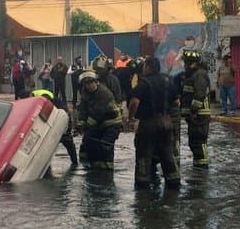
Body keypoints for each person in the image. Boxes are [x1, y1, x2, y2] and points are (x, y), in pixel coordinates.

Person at [128, 56, 181, 189]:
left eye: (145, 66)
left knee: (143, 155)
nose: (144, 68)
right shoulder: (168, 81)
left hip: (148, 124)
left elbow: (134, 102)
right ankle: (174, 182)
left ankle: (143, 186)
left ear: (149, 67)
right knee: (167, 154)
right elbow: (176, 103)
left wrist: (130, 119)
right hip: (166, 123)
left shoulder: (144, 83)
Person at [76, 70, 123, 170]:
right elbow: (83, 110)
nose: (89, 86)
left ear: (96, 82)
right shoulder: (85, 93)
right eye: (86, 84)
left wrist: (86, 126)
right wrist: (80, 124)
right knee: (89, 140)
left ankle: (108, 167)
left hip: (112, 122)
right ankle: (93, 165)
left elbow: (97, 113)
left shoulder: (104, 93)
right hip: (99, 123)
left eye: (91, 82)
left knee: (105, 144)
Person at [179, 48, 211, 167]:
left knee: (199, 141)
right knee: (194, 142)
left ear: (193, 63)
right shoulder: (193, 74)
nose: (185, 65)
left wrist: (193, 110)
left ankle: (202, 167)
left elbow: (200, 94)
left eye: (187, 62)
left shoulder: (200, 74)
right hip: (195, 117)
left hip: (199, 115)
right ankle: (198, 165)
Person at [33, 89, 78, 165]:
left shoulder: (44, 99)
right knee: (49, 144)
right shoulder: (37, 97)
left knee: (66, 140)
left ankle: (75, 162)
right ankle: (46, 165)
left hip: (62, 118)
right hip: (59, 117)